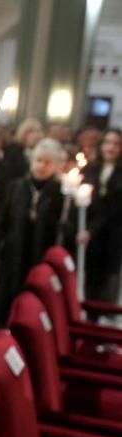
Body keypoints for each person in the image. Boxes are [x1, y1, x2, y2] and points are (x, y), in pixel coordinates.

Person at [0, 138, 68, 327]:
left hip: (39, 256)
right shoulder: (17, 186)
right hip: (13, 255)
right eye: (38, 160)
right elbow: (4, 220)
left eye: (47, 162)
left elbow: (62, 228)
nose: (41, 166)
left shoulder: (60, 194)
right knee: (6, 308)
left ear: (56, 166)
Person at [79, 128, 122, 315]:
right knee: (88, 275)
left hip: (112, 232)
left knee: (105, 277)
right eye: (107, 143)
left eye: (116, 144)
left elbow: (115, 206)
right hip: (89, 230)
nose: (110, 148)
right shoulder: (91, 169)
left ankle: (98, 314)